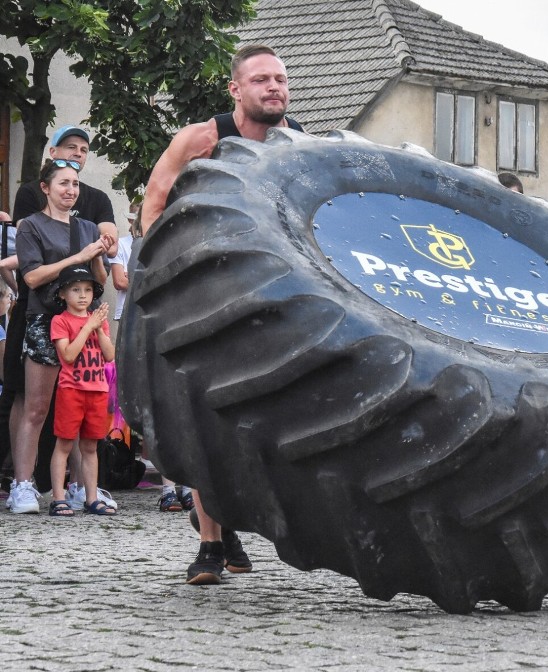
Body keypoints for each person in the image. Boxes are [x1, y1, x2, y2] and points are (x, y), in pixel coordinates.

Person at [141, 44, 303, 584]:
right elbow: (155, 203)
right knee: (204, 419)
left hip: (268, 302)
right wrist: (167, 272)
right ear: (236, 89)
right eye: (261, 80)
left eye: (280, 79)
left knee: (259, 426)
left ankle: (224, 518)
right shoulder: (201, 139)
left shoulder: (299, 147)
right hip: (202, 298)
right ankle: (210, 543)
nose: (274, 87)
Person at [1, 125, 118, 507]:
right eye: (63, 183)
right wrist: (78, 258)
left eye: (75, 185)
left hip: (83, 323)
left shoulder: (86, 227)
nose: (71, 189)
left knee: (80, 408)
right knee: (36, 407)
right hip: (43, 321)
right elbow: (31, 277)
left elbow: (99, 280)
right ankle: (22, 484)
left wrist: (97, 257)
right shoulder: (32, 225)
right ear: (46, 187)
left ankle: (84, 488)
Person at [48, 266, 116, 517]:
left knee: (90, 447)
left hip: (97, 390)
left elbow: (109, 355)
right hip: (71, 390)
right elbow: (67, 355)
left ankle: (91, 497)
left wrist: (98, 327)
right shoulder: (60, 321)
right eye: (75, 289)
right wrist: (88, 327)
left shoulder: (99, 322)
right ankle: (58, 498)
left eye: (87, 290)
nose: (83, 295)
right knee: (64, 444)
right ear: (63, 294)